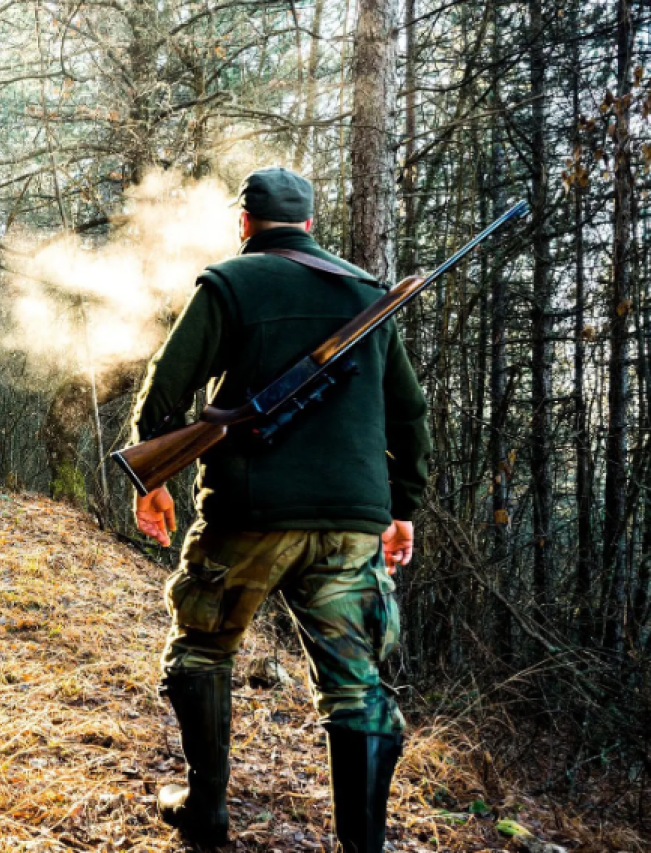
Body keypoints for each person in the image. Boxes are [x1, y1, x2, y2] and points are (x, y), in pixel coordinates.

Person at [127, 167, 430, 850]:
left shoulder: (229, 283)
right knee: (358, 687)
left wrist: (155, 480)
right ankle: (364, 844)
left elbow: (164, 392)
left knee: (203, 651)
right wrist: (401, 506)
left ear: (244, 223)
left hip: (248, 515)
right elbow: (409, 415)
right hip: (351, 523)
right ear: (311, 225)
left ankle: (206, 809)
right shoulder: (368, 295)